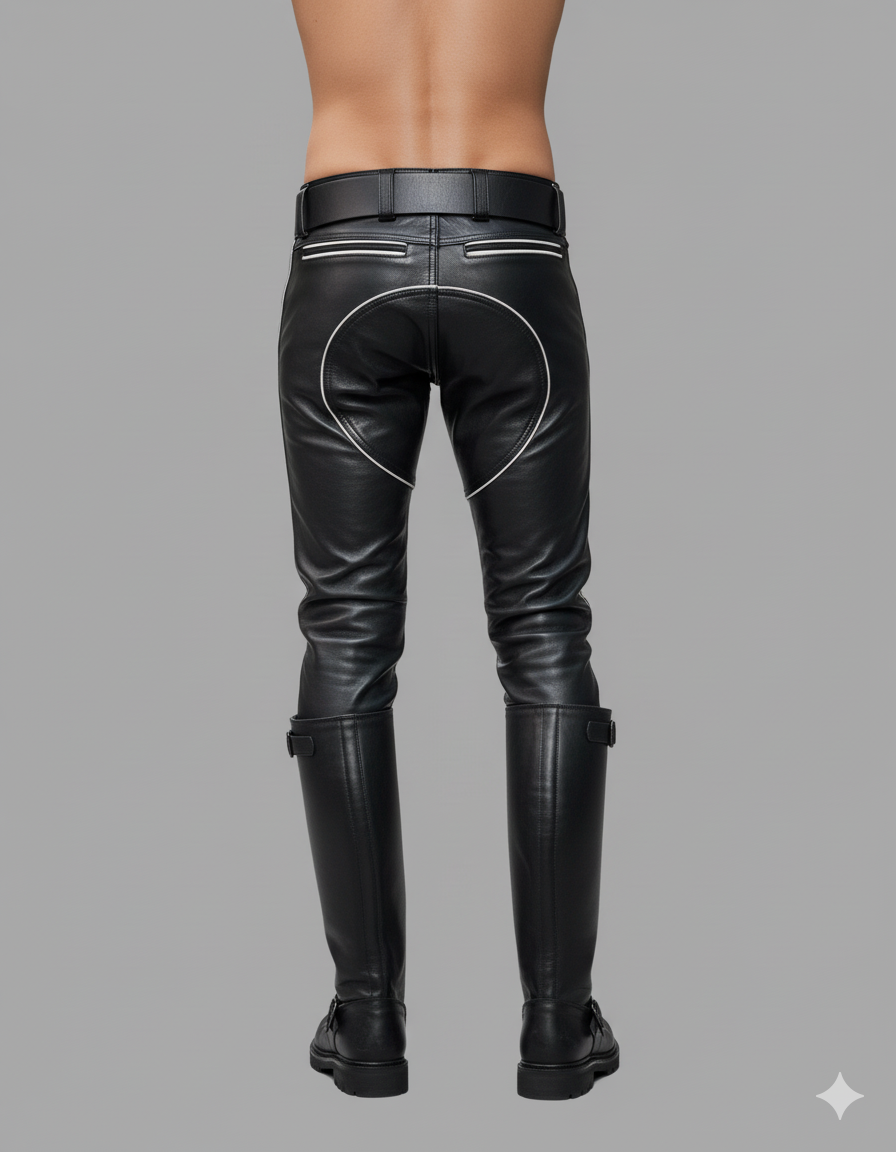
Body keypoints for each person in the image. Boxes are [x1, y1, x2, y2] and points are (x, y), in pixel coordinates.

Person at [278, 0, 619, 1100]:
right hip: (510, 250)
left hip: (346, 253)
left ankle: (367, 1024)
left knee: (345, 632)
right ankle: (557, 1028)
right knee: (544, 631)